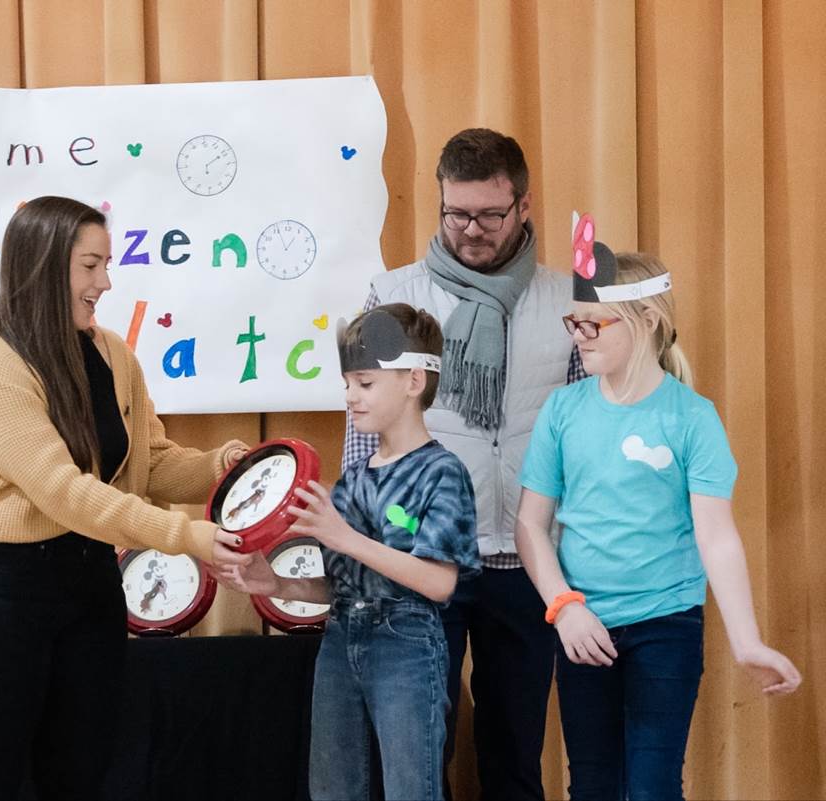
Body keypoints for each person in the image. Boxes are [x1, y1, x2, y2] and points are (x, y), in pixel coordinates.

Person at [0, 195, 251, 801]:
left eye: (106, 265)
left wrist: (226, 470)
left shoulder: (113, 354)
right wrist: (188, 537)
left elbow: (148, 463)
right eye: (90, 266)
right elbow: (64, 491)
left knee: (80, 778)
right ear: (44, 266)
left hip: (89, 586)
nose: (105, 282)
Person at [515, 245, 802, 800]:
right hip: (583, 627)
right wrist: (564, 607)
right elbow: (530, 525)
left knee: (653, 787)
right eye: (574, 322)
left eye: (594, 324)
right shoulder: (562, 410)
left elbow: (717, 537)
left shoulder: (692, 418)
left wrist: (747, 641)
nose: (579, 336)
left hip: (666, 625)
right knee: (592, 785)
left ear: (647, 321)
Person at [342, 128, 576, 800]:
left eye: (490, 215)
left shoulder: (568, 300)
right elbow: (363, 431)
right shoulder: (393, 296)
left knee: (514, 751)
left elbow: (586, 432)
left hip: (526, 561)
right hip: (421, 559)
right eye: (457, 214)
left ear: (524, 205)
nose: (471, 231)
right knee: (418, 752)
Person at [216, 303, 481, 801]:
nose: (350, 397)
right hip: (340, 638)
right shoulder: (354, 477)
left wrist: (345, 537)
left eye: (365, 383)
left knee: (411, 789)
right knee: (333, 787)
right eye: (347, 384)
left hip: (406, 644)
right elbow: (340, 585)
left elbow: (438, 582)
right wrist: (277, 583)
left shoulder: (441, 472)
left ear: (414, 381)